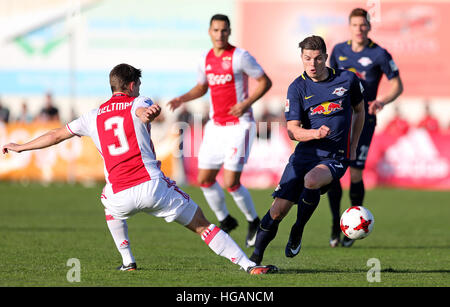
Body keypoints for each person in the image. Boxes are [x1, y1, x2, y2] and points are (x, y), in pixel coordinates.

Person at [2, 63, 277, 275]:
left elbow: (56, 134)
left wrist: (22, 147)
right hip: (152, 187)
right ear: (132, 85)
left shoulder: (92, 116)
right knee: (202, 226)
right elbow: (142, 110)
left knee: (107, 203)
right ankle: (248, 265)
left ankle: (128, 261)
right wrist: (147, 114)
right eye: (139, 85)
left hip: (120, 194)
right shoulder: (138, 102)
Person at [249, 35, 365, 265]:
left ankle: (297, 230)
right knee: (277, 211)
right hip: (304, 155)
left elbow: (360, 110)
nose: (312, 64)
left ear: (326, 57)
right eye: (307, 58)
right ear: (301, 58)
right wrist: (314, 134)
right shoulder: (297, 87)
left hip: (334, 157)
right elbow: (292, 130)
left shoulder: (348, 80)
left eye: (318, 58)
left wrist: (353, 145)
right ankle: (254, 260)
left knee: (311, 180)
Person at [167, 14, 272, 248]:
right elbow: (202, 87)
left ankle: (253, 221)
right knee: (205, 179)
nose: (220, 34)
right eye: (216, 30)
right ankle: (225, 219)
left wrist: (245, 104)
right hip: (215, 126)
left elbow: (265, 82)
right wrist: (182, 98)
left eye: (224, 30)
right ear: (209, 32)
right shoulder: (205, 59)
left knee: (231, 181)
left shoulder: (240, 56)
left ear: (229, 31)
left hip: (240, 125)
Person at [327, 8, 403, 247]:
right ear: (350, 27)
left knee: (356, 172)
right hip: (339, 120)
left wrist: (381, 100)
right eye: (355, 25)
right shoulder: (339, 50)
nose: (359, 29)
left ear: (369, 27)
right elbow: (328, 80)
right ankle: (334, 225)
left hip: (364, 120)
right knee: (333, 172)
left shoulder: (379, 54)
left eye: (363, 25)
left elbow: (397, 86)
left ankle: (352, 226)